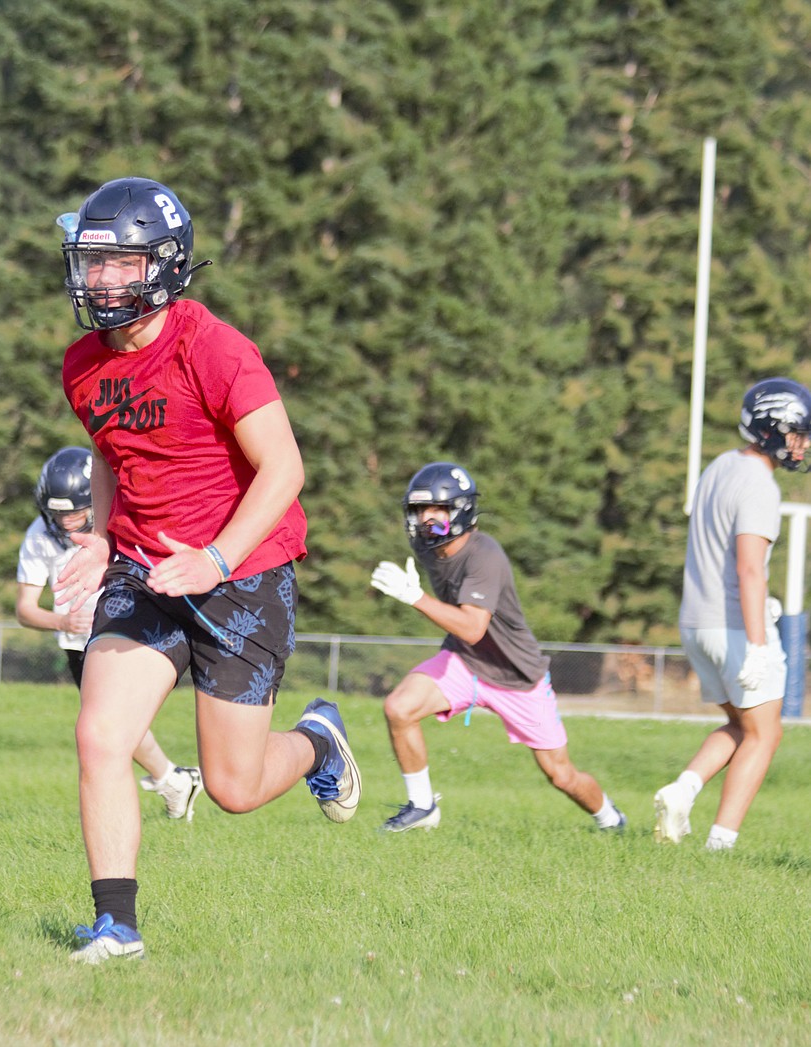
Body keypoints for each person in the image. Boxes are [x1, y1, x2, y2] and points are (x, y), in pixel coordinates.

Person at [52, 176, 360, 964]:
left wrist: (216, 558)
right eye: (93, 262)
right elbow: (112, 451)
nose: (102, 280)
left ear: (165, 264)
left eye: (121, 263)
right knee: (100, 735)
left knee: (235, 788)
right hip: (149, 570)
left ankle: (320, 743)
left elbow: (284, 468)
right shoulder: (82, 363)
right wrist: (98, 536)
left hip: (242, 573)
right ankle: (116, 925)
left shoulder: (214, 347)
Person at [370, 461, 625, 834]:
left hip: (515, 676)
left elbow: (474, 627)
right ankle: (422, 805)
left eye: (437, 509)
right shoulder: (427, 547)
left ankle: (611, 820)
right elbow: (468, 640)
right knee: (398, 708)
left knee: (561, 774)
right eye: (419, 509)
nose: (426, 518)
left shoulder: (484, 554)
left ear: (461, 510)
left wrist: (414, 597)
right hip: (465, 661)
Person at [654, 377, 811, 851]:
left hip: (695, 623)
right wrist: (760, 643)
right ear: (771, 429)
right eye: (797, 432)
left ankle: (682, 790)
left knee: (744, 727)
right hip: (734, 626)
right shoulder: (758, 485)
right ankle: (720, 845)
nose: (802, 443)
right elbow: (748, 569)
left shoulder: (720, 465)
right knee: (766, 735)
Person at [16, 445, 204, 821]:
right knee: (107, 726)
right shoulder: (39, 535)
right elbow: (24, 609)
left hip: (120, 632)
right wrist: (62, 623)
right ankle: (173, 779)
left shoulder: (116, 520)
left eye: (76, 513)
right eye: (59, 515)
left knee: (109, 725)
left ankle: (166, 783)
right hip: (76, 644)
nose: (67, 523)